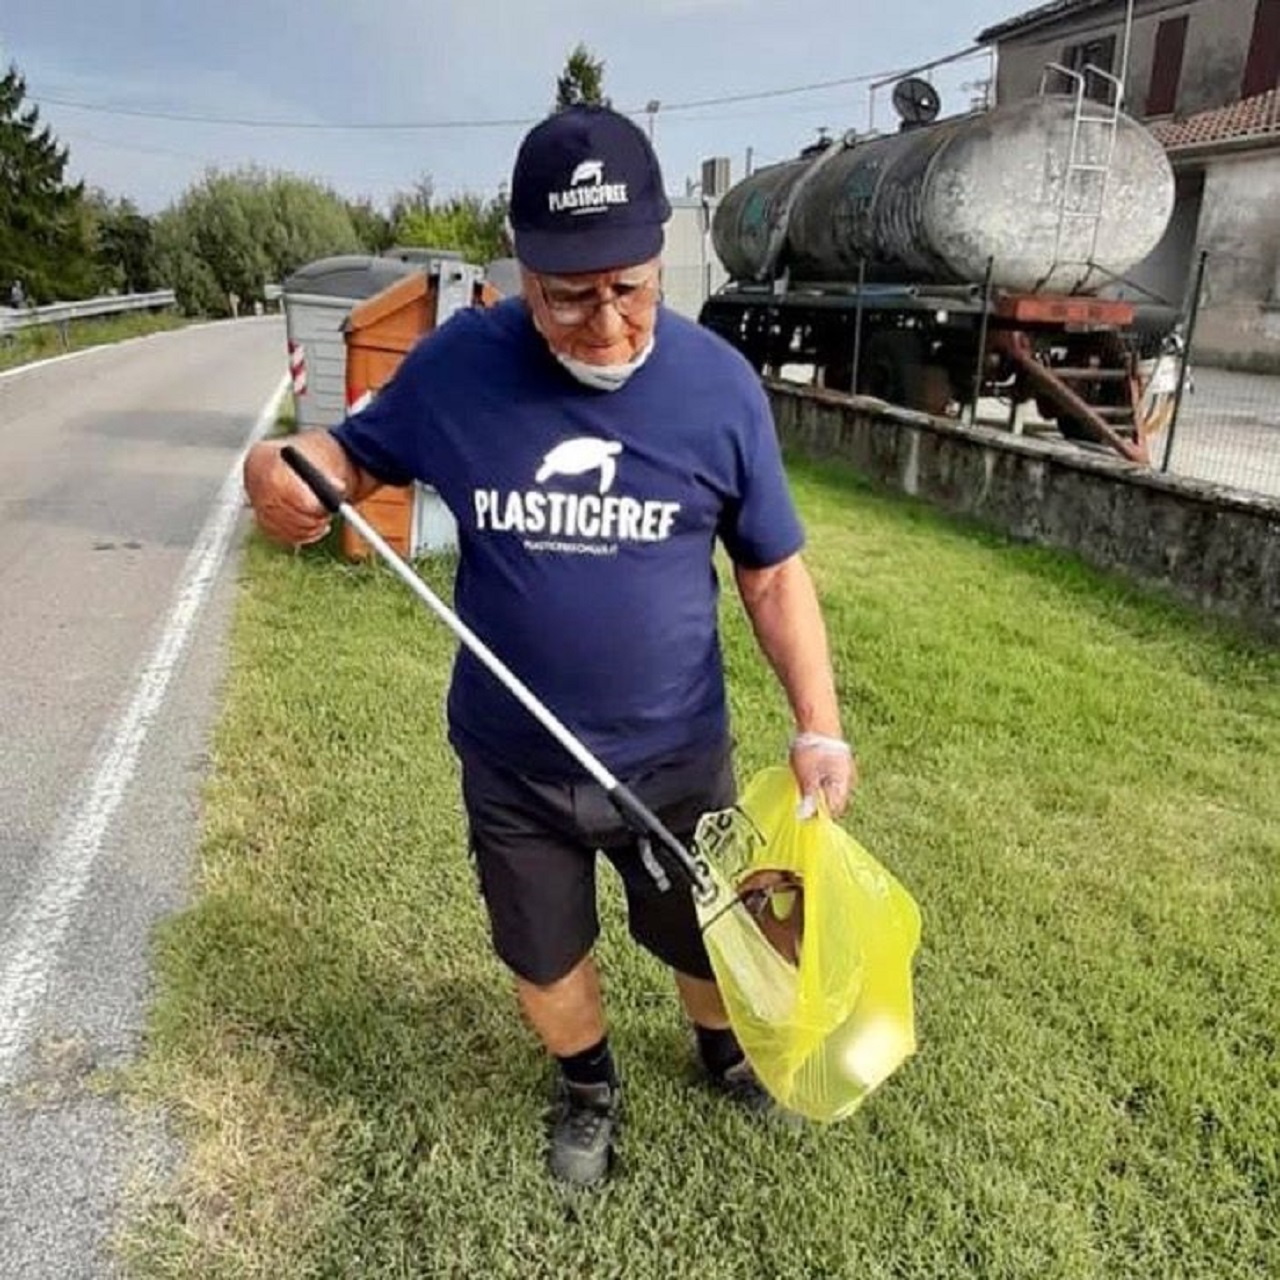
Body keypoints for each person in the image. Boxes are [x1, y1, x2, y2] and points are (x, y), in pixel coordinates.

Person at [242, 105, 856, 1187]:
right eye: (568, 296)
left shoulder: (718, 387)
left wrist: (818, 724)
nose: (606, 324)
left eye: (627, 287)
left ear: (660, 253)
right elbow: (341, 457)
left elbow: (768, 570)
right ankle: (586, 1081)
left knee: (704, 928)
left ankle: (721, 1047)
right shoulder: (459, 366)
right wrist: (282, 473)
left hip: (673, 754)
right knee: (542, 949)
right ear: (521, 269)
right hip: (514, 762)